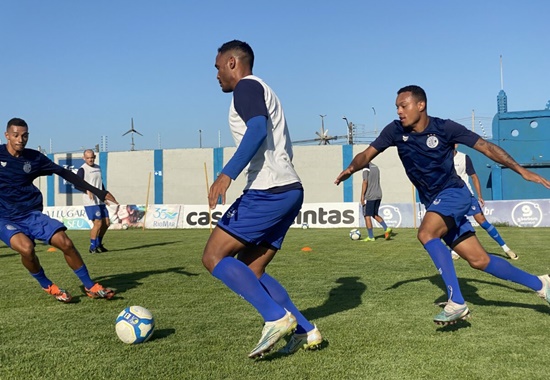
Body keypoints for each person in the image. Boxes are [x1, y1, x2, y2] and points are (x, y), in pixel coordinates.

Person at [335, 85, 550, 325]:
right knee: (479, 260)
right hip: (435, 202)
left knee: (426, 233)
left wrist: (521, 171)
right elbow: (367, 154)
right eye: (396, 107)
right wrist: (352, 168)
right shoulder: (394, 131)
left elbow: (486, 147)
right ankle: (542, 284)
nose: (399, 111)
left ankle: (457, 301)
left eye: (403, 106)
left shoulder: (446, 128)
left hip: (454, 194)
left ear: (421, 105)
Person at [202, 40, 322, 358]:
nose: (215, 75)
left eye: (217, 67)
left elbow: (256, 129)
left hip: (267, 191)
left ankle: (275, 317)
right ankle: (305, 330)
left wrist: (226, 174)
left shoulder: (246, 88)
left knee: (213, 257)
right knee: (252, 269)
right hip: (289, 189)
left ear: (232, 63)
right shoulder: (265, 89)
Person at [0, 118, 117, 302]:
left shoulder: (34, 158)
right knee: (27, 249)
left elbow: (64, 172)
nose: (20, 139)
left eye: (24, 136)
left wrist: (98, 192)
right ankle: (48, 286)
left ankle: (91, 287)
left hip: (31, 214)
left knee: (66, 243)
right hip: (4, 217)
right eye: (15, 135)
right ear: (7, 135)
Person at [452, 146, 517, 260]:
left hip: (467, 195)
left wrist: (479, 196)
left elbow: (474, 177)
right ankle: (456, 250)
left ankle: (506, 248)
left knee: (482, 221)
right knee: (455, 223)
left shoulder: (464, 158)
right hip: (452, 197)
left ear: (455, 145)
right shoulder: (441, 158)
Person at [76, 149, 110, 253]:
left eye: (92, 157)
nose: (90, 160)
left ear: (94, 157)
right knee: (98, 223)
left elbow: (100, 184)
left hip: (100, 200)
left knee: (107, 223)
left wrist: (104, 196)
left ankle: (99, 244)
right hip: (90, 201)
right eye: (88, 158)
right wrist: (86, 190)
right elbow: (77, 184)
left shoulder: (98, 168)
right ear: (84, 158)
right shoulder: (82, 169)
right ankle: (92, 247)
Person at [360, 162, 392, 241]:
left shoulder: (366, 168)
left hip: (370, 196)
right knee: (374, 214)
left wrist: (362, 195)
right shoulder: (376, 167)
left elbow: (365, 181)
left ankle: (371, 237)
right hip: (378, 194)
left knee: (367, 216)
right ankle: (386, 228)